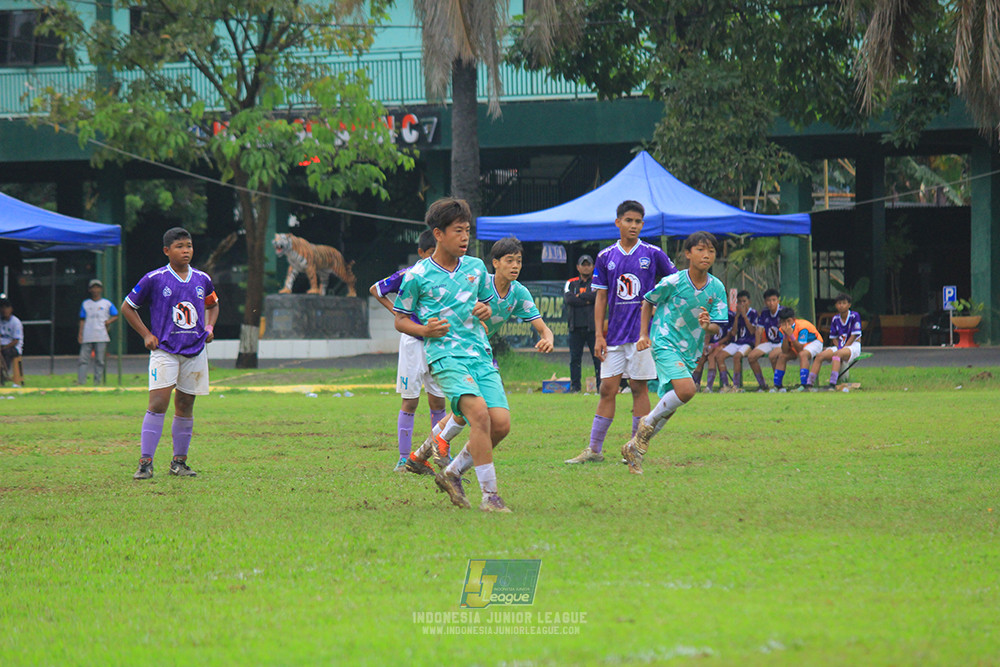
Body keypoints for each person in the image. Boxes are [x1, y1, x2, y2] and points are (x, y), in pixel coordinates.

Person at [392, 198, 512, 512]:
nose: (465, 237)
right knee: (480, 416)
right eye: (458, 231)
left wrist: (485, 310)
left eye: (467, 231)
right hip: (445, 356)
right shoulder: (417, 275)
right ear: (438, 234)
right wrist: (424, 330)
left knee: (500, 424)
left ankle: (452, 472)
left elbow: (486, 306)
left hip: (479, 354)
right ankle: (491, 497)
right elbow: (400, 318)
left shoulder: (475, 267)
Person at [404, 236, 554, 474]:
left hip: (479, 352)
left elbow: (542, 326)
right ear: (495, 263)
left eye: (519, 261)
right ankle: (448, 461)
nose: (515, 266)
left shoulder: (519, 293)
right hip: (454, 349)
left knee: (465, 409)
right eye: (509, 261)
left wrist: (547, 337)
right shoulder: (476, 281)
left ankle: (419, 456)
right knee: (473, 408)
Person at [565, 200, 676, 464]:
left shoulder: (653, 253)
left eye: (638, 221)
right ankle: (594, 450)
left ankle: (635, 448)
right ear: (618, 223)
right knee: (607, 389)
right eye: (628, 220)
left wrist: (658, 315)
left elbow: (674, 283)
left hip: (641, 336)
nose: (633, 226)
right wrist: (599, 336)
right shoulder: (605, 257)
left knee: (639, 388)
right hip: (613, 335)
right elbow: (601, 298)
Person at [621, 231, 728, 475]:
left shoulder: (717, 288)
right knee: (688, 390)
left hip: (689, 351)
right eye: (700, 249)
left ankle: (633, 449)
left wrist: (706, 324)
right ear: (688, 254)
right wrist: (644, 335)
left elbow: (715, 326)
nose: (706, 255)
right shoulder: (674, 281)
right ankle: (645, 425)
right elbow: (647, 301)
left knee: (671, 405)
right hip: (664, 340)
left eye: (711, 251)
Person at [122, 227, 219, 480]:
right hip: (164, 350)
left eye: (189, 245)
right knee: (158, 404)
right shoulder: (154, 278)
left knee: (186, 404)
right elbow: (128, 307)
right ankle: (145, 462)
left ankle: (179, 462)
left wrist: (209, 327)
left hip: (195, 350)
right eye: (180, 246)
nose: (186, 250)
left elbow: (213, 304)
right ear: (167, 251)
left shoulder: (201, 278)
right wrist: (146, 334)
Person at [370, 229, 448, 472]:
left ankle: (439, 453)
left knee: (438, 400)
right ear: (421, 253)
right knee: (410, 400)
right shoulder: (409, 274)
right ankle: (404, 458)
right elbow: (376, 289)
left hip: (436, 342)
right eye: (430, 253)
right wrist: (396, 312)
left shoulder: (444, 276)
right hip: (413, 343)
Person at [808, 293, 863, 388]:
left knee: (837, 354)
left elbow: (854, 336)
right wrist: (839, 347)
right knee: (820, 356)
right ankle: (809, 383)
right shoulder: (835, 319)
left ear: (849, 305)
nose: (841, 305)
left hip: (853, 346)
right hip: (839, 346)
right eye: (839, 303)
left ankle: (832, 383)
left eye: (844, 303)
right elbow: (834, 337)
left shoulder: (854, 316)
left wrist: (842, 348)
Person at [564, 254, 600, 392]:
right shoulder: (571, 282)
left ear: (593, 267)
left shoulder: (597, 281)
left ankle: (600, 387)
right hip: (575, 327)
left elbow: (597, 296)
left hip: (592, 327)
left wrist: (580, 296)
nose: (586, 267)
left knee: (597, 358)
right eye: (583, 265)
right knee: (575, 359)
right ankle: (575, 388)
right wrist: (587, 300)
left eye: (588, 264)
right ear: (578, 267)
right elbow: (569, 299)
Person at [77, 279, 119, 386]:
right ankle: (81, 381)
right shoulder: (86, 304)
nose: (95, 290)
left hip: (101, 335)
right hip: (88, 334)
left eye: (97, 287)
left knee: (100, 360)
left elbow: (116, 315)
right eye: (93, 287)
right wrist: (80, 333)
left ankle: (97, 382)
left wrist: (108, 322)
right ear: (90, 289)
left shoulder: (106, 303)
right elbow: (82, 319)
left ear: (101, 289)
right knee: (83, 359)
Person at [714, 290, 757, 391]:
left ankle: (736, 385)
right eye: (739, 302)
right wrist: (737, 317)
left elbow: (752, 331)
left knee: (737, 356)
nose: (741, 304)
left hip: (748, 343)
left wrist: (744, 316)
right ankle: (725, 385)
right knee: (719, 356)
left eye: (744, 301)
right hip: (737, 342)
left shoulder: (753, 313)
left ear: (749, 302)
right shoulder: (735, 315)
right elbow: (733, 333)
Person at [772, 307, 822, 391]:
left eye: (789, 321)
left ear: (793, 319)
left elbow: (800, 349)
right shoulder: (781, 329)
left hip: (813, 342)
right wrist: (785, 335)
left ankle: (804, 385)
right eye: (783, 322)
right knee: (782, 356)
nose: (786, 324)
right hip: (797, 344)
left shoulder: (803, 327)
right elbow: (784, 350)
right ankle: (777, 385)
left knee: (802, 355)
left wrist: (791, 335)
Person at [746, 288, 782, 391]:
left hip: (782, 343)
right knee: (751, 357)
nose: (771, 303)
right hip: (770, 343)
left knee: (772, 356)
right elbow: (759, 331)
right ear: (765, 302)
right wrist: (757, 348)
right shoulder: (765, 312)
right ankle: (762, 384)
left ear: (778, 301)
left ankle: (778, 385)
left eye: (774, 300)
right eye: (769, 301)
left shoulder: (783, 311)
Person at [0, 293, 24, 386]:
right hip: (2, 346)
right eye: (2, 307)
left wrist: (3, 347)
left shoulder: (15, 322)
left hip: (13, 348)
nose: (4, 310)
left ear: (11, 309)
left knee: (6, 353)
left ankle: (4, 373)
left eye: (6, 307)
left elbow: (16, 340)